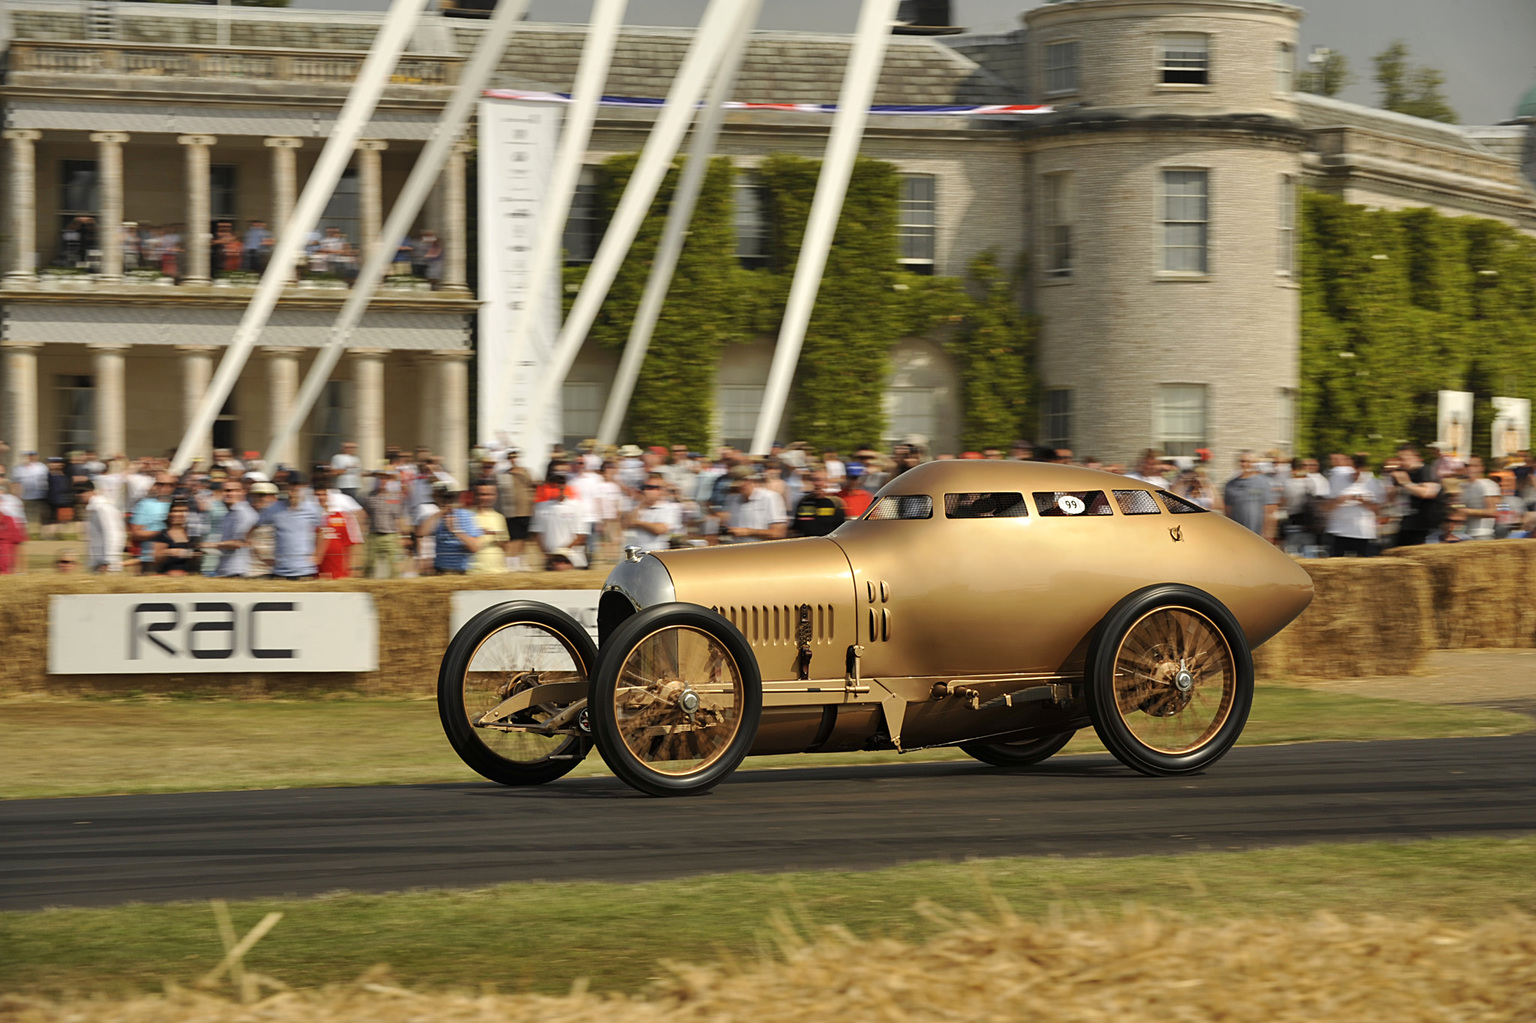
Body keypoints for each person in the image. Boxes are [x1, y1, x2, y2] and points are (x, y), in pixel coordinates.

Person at [256, 480, 324, 580]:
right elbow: (254, 528)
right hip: (280, 572)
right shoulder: (274, 509)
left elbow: (323, 532)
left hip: (305, 571)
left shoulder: (313, 509)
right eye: (291, 488)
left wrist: (318, 555)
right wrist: (261, 556)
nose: (293, 492)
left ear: (302, 490)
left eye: (296, 489)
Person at [1324, 453, 1382, 558]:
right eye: (1355, 472)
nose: (1357, 475)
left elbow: (1377, 510)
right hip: (1339, 531)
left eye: (1360, 472)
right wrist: (1341, 500)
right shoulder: (1337, 478)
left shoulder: (1372, 482)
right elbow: (1326, 507)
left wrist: (1364, 501)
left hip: (1363, 533)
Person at [1386, 445, 1442, 547]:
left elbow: (1428, 493)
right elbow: (1391, 499)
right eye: (1399, 459)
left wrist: (1405, 483)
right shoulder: (1404, 472)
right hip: (1407, 523)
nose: (1401, 462)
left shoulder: (1426, 470)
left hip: (1425, 525)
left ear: (1415, 457)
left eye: (1403, 459)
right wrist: (1393, 488)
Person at [530, 474, 588, 570]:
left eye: (558, 487)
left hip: (572, 561)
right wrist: (548, 555)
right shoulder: (540, 507)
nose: (556, 490)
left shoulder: (577, 506)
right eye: (552, 487)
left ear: (564, 487)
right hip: (551, 562)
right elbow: (537, 534)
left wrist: (562, 553)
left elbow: (582, 536)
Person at [360, 466, 408, 578]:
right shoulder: (369, 497)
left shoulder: (396, 497)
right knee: (369, 565)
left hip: (391, 535)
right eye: (380, 478)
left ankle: (395, 587)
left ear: (389, 481)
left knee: (395, 567)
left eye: (385, 478)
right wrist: (363, 534)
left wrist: (403, 536)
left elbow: (399, 518)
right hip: (373, 535)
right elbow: (364, 515)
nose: (382, 481)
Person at [496, 449, 536, 572]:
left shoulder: (525, 472)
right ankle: (512, 562)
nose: (513, 460)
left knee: (523, 538)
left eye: (515, 457)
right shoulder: (504, 474)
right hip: (511, 511)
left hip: (525, 510)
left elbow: (533, 485)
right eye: (511, 457)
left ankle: (522, 561)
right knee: (513, 538)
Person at [1223, 451, 1278, 541]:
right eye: (1242, 461)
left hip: (1258, 536)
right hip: (1237, 535)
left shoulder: (1263, 483)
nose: (1245, 464)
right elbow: (1227, 512)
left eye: (1249, 462)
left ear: (1254, 463)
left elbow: (1270, 511)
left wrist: (1268, 535)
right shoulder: (1230, 485)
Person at [211, 477, 259, 577]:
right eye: (225, 490)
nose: (227, 494)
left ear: (243, 492)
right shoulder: (229, 514)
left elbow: (239, 543)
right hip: (227, 569)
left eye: (231, 491)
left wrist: (210, 545)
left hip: (239, 570)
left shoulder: (244, 513)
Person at [622, 473, 682, 552]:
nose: (647, 491)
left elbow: (660, 529)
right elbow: (625, 524)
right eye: (645, 487)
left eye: (652, 488)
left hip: (656, 552)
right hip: (634, 551)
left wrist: (638, 523)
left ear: (661, 490)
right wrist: (642, 505)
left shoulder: (669, 508)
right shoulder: (638, 506)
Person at [432, 488, 484, 575]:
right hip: (440, 571)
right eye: (444, 497)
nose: (448, 502)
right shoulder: (436, 516)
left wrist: (456, 530)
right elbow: (421, 533)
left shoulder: (467, 516)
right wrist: (439, 514)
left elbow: (475, 547)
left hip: (460, 571)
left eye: (451, 498)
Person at [726, 471, 789, 543]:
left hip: (761, 550)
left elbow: (779, 533)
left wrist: (749, 532)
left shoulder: (770, 497)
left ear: (750, 481)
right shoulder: (733, 499)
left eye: (741, 485)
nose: (738, 489)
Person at [84, 478, 124, 573]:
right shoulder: (93, 508)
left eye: (82, 491)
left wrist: (108, 561)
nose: (79, 495)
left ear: (92, 491)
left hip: (105, 564)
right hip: (98, 561)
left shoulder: (103, 508)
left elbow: (113, 534)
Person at [151, 502, 202, 576]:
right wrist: (169, 552)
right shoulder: (163, 534)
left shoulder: (192, 534)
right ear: (169, 514)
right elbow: (156, 558)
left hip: (189, 577)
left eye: (184, 511)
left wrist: (191, 554)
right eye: (176, 511)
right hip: (167, 576)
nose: (179, 514)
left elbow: (198, 554)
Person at [791, 471, 846, 537]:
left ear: (828, 482)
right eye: (814, 480)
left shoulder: (836, 503)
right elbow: (796, 529)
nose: (817, 483)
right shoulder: (804, 502)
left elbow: (842, 531)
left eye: (820, 480)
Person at [0, 479, 28, 575]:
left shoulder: (13, 500)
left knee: (15, 550)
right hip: (12, 527)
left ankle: (20, 571)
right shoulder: (14, 500)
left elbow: (20, 519)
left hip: (11, 528)